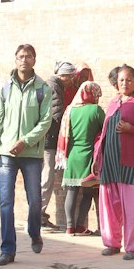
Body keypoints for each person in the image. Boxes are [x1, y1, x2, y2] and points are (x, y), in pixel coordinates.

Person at [0, 44, 53, 267]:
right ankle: (7, 249)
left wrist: (25, 141)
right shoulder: (5, 88)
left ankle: (34, 231)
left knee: (35, 199)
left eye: (28, 56)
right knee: (5, 201)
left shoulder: (42, 89)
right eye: (20, 56)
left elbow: (45, 122)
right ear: (15, 60)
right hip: (8, 152)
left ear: (34, 60)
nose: (24, 60)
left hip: (31, 153)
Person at [96, 64, 134, 259]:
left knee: (133, 207)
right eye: (121, 80)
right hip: (110, 162)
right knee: (109, 206)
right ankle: (111, 243)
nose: (125, 83)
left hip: (131, 162)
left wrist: (132, 129)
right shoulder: (113, 102)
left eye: (129, 79)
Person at [59, 81, 105, 235]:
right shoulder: (96, 110)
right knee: (87, 193)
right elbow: (105, 130)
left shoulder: (70, 110)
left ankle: (69, 227)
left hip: (72, 155)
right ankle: (80, 226)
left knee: (71, 192)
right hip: (88, 157)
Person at [41, 61, 78, 228]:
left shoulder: (54, 86)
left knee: (45, 177)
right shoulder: (54, 86)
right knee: (46, 177)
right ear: (64, 76)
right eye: (70, 77)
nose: (71, 80)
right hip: (48, 139)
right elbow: (56, 114)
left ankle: (38, 214)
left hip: (47, 138)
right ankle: (37, 214)